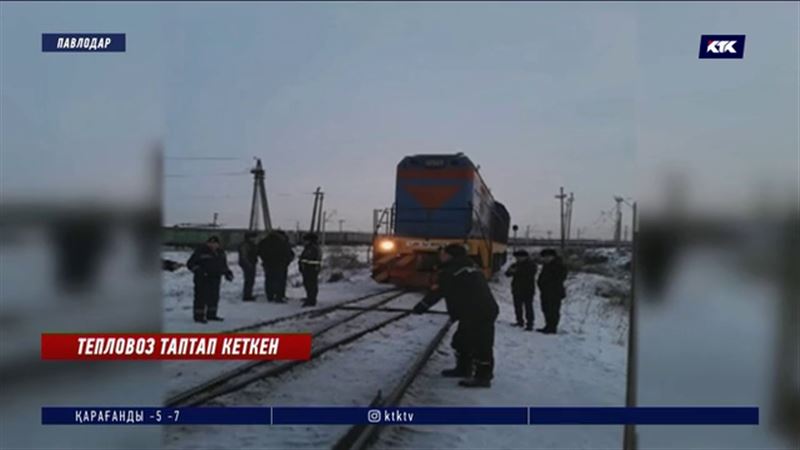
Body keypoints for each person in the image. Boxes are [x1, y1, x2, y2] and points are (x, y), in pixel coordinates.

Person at [413, 244, 499, 388]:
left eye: (443, 253)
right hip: (478, 310)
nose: (440, 255)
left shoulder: (451, 272)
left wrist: (420, 307)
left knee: (480, 344)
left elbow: (437, 293)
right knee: (461, 341)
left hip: (476, 312)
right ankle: (464, 369)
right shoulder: (470, 265)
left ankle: (483, 377)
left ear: (449, 255)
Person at [186, 236, 233, 323]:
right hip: (202, 279)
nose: (212, 245)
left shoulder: (221, 252)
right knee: (201, 297)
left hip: (215, 278)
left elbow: (223, 265)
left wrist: (227, 273)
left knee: (214, 297)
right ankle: (199, 316)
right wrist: (199, 271)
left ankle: (212, 314)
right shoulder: (200, 251)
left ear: (218, 244)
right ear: (207, 243)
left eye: (215, 243)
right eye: (210, 243)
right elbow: (190, 264)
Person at [258, 230, 295, 302]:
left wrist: (265, 260)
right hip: (280, 264)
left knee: (269, 279)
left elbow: (259, 251)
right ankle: (279, 296)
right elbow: (288, 253)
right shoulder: (282, 242)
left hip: (268, 264)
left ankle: (270, 295)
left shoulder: (265, 241)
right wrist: (288, 261)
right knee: (280, 280)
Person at [536, 248, 567, 334]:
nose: (546, 259)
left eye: (548, 257)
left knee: (553, 310)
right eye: (544, 257)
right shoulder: (546, 265)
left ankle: (552, 328)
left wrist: (548, 283)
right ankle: (548, 326)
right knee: (546, 309)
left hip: (554, 292)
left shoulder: (559, 265)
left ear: (553, 257)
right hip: (546, 292)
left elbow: (560, 278)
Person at [505, 249, 537, 331]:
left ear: (525, 257)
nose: (518, 259)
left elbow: (529, 274)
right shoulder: (515, 265)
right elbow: (507, 274)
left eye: (520, 257)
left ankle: (530, 324)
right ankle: (519, 321)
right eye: (517, 257)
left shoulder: (531, 265)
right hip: (517, 288)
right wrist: (510, 271)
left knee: (528, 306)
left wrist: (516, 272)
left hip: (528, 289)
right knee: (517, 306)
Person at [298, 233, 322, 307]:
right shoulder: (310, 247)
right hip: (308, 269)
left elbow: (310, 259)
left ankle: (311, 300)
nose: (304, 242)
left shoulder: (312, 248)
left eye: (305, 240)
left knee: (311, 284)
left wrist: (303, 262)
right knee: (308, 284)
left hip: (311, 269)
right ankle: (309, 297)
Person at [237, 232, 259, 301]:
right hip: (248, 264)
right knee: (249, 280)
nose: (255, 239)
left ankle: (248, 294)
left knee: (250, 280)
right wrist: (248, 264)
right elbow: (244, 256)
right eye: (253, 237)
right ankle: (247, 296)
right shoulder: (246, 245)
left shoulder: (250, 244)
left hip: (250, 264)